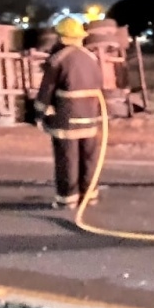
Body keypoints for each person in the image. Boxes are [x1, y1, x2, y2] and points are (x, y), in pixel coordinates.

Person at [34, 17, 106, 209]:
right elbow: (101, 86)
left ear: (61, 37)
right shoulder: (92, 57)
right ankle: (89, 197)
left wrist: (40, 114)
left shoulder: (58, 59)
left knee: (68, 159)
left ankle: (68, 199)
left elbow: (46, 91)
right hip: (90, 116)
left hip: (66, 118)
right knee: (89, 158)